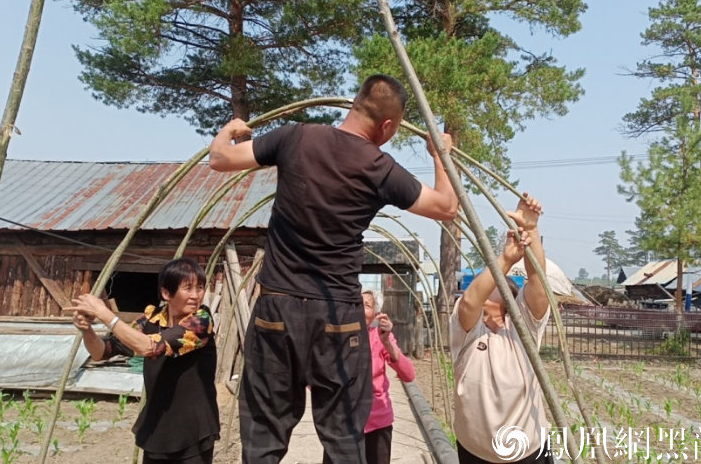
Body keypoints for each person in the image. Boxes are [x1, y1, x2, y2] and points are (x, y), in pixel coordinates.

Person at [209, 74, 458, 464]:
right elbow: (447, 207)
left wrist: (228, 131)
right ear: (388, 126)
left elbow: (220, 159)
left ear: (354, 105)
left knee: (263, 439)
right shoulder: (380, 167)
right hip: (337, 314)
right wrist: (441, 155)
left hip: (278, 306)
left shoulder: (296, 137)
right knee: (344, 440)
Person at [65, 258, 219, 464]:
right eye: (188, 288)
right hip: (157, 427)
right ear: (166, 293)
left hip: (193, 428)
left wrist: (104, 313)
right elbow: (102, 352)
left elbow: (150, 347)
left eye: (199, 287)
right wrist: (87, 330)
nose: (195, 295)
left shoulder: (201, 321)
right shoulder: (150, 320)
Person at [449, 193, 553, 464]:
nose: (497, 281)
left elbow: (538, 285)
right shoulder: (467, 332)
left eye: (503, 281)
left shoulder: (523, 329)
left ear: (513, 298)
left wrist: (531, 228)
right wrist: (505, 259)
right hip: (476, 451)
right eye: (494, 279)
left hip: (528, 451)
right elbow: (471, 301)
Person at [322, 287, 415, 464]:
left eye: (366, 305)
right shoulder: (335, 337)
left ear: (375, 314)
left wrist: (386, 342)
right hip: (341, 423)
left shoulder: (380, 338)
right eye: (355, 303)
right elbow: (316, 379)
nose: (359, 308)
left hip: (376, 422)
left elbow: (409, 375)